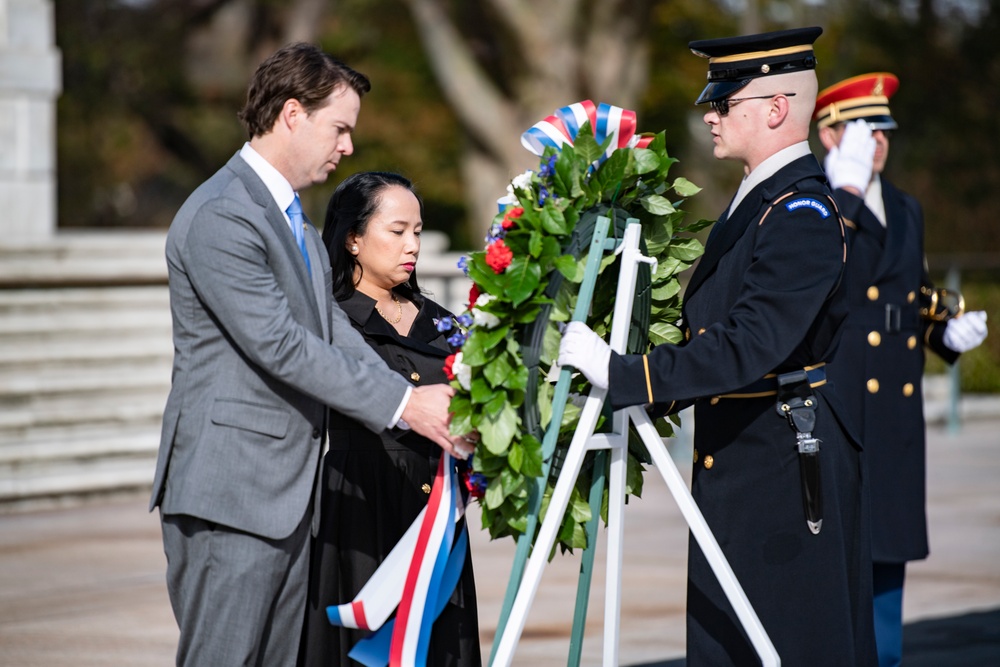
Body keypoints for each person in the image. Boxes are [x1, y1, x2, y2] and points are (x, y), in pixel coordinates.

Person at [558, 27, 878, 666]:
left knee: (784, 641)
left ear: (776, 108)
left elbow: (748, 344)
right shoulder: (761, 202)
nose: (709, 112)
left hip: (783, 471)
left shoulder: (800, 215)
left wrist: (627, 374)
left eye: (724, 102)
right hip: (750, 461)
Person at [149, 43, 469, 667]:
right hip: (232, 493)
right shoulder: (224, 214)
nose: (347, 147)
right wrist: (406, 403)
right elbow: (280, 343)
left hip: (286, 496)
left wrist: (421, 396)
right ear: (293, 114)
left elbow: (329, 328)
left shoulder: (289, 218)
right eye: (339, 128)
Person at [814, 73, 988, 667]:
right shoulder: (821, 204)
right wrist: (845, 201)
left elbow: (909, 297)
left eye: (883, 128)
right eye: (864, 128)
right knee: (838, 567)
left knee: (887, 563)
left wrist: (946, 335)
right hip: (843, 400)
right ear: (828, 134)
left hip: (893, 408)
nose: (878, 140)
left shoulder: (906, 208)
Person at [299, 171, 481, 666]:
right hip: (361, 508)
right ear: (354, 239)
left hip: (437, 515)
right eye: (397, 231)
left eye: (418, 232)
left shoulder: (439, 319)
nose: (412, 245)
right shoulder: (331, 320)